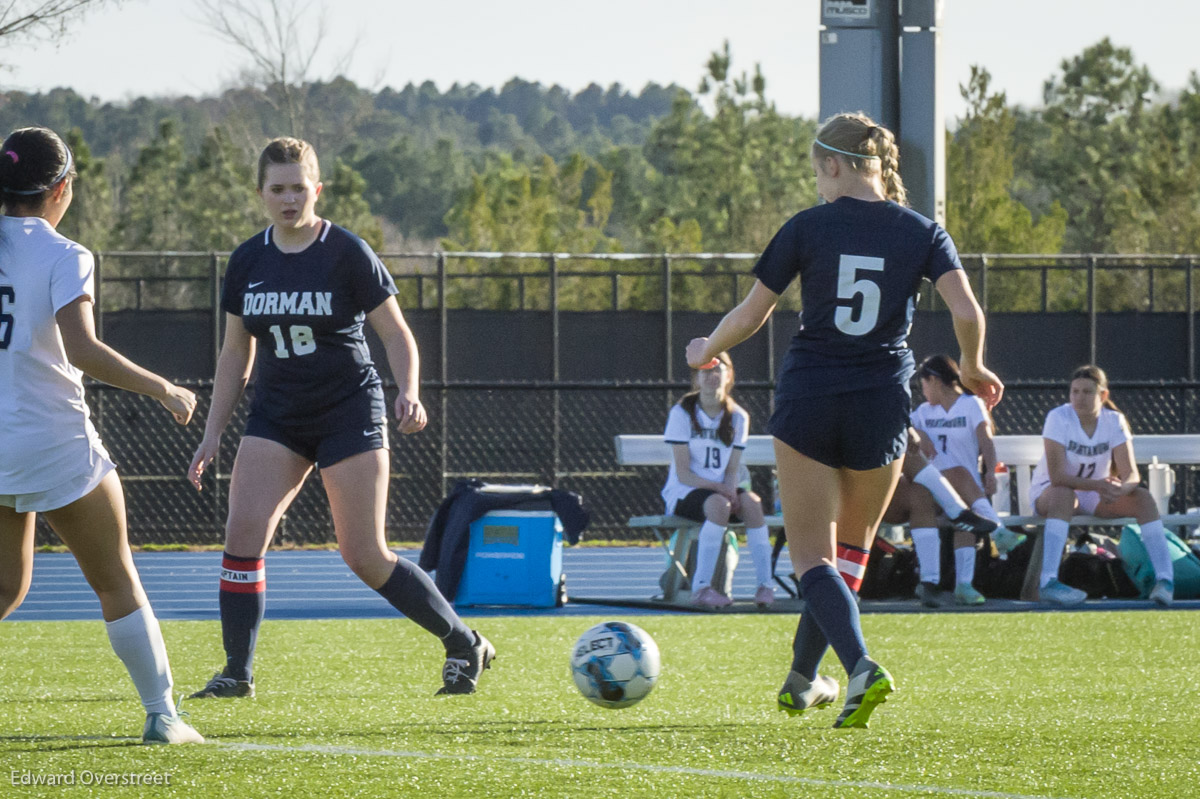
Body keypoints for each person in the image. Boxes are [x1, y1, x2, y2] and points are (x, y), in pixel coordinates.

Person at [685, 112, 1002, 728]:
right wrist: (973, 364)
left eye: (817, 173)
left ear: (833, 164)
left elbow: (752, 313)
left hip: (810, 394)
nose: (818, 186)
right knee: (850, 553)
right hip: (882, 398)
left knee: (811, 560)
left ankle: (859, 666)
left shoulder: (808, 226)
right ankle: (804, 679)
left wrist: (706, 349)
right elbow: (966, 307)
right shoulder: (923, 231)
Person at [186, 137, 493, 699]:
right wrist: (212, 432)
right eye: (277, 189)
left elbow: (396, 333)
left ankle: (462, 641)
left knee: (363, 553)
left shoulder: (346, 251)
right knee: (241, 536)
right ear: (260, 194)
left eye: (299, 187)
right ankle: (236, 672)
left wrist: (411, 391)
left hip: (347, 410)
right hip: (277, 415)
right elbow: (235, 353)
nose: (288, 199)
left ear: (317, 189)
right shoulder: (248, 259)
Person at [0, 127, 203, 744]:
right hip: (54, 442)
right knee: (116, 579)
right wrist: (164, 389)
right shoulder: (67, 254)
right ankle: (163, 715)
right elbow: (83, 349)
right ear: (61, 189)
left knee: (6, 586)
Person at [1030, 365, 1174, 607]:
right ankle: (1048, 582)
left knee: (1143, 499)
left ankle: (1165, 580)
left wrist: (1121, 489)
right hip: (1052, 494)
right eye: (1074, 391)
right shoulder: (1058, 417)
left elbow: (1131, 475)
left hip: (1093, 494)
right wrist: (1098, 485)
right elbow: (1057, 477)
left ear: (1103, 395)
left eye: (1087, 392)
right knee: (1064, 495)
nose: (1079, 398)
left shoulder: (1114, 421)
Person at [661, 351, 776, 608]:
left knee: (753, 504)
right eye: (705, 370)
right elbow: (683, 474)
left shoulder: (738, 417)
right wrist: (722, 490)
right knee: (718, 506)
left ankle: (765, 586)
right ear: (697, 378)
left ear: (728, 375)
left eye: (718, 369)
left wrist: (733, 490)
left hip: (721, 490)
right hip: (685, 491)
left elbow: (733, 467)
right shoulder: (682, 413)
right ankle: (702, 588)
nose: (712, 375)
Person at [910, 354, 1018, 605]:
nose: (923, 391)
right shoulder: (923, 412)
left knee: (966, 509)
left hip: (968, 493)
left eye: (924, 384)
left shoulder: (971, 405)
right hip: (931, 493)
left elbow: (986, 442)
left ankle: (964, 585)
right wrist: (919, 433)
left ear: (935, 381)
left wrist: (991, 471)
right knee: (957, 477)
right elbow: (905, 428)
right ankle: (998, 531)